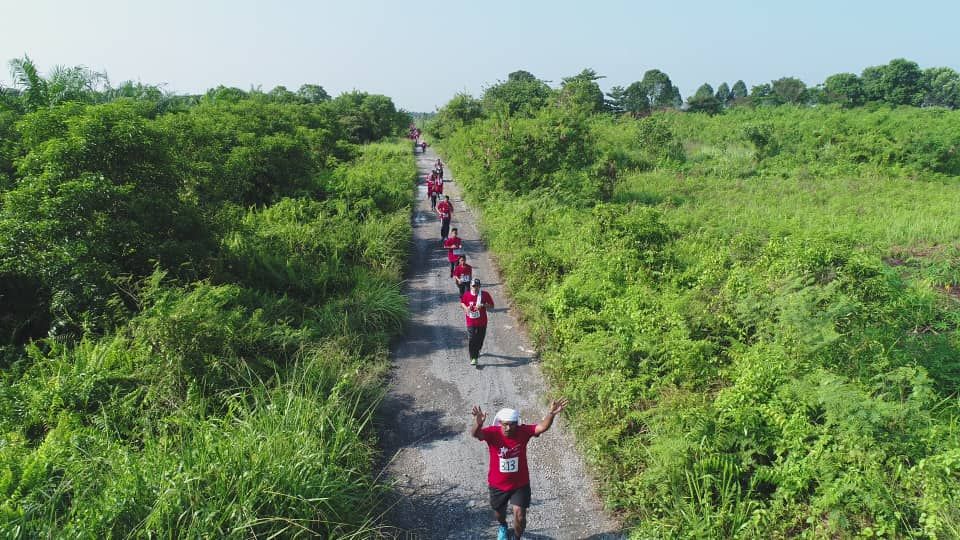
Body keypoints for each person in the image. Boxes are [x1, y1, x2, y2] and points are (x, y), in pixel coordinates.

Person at [471, 399, 569, 540]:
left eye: (512, 424)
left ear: (516, 423)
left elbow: (541, 427)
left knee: (520, 515)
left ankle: (517, 537)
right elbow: (475, 434)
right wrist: (478, 423)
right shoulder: (492, 433)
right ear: (500, 423)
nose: (508, 428)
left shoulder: (523, 431)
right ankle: (503, 526)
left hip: (520, 484)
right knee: (499, 513)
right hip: (498, 484)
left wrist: (551, 414)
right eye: (505, 424)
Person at [460, 278, 493, 366]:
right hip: (470, 321)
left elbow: (492, 305)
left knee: (480, 340)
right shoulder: (467, 295)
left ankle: (477, 350)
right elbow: (462, 303)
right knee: (471, 339)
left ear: (480, 286)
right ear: (471, 286)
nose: (475, 288)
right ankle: (473, 358)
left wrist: (482, 305)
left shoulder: (485, 294)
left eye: (477, 286)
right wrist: (466, 308)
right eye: (474, 286)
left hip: (482, 322)